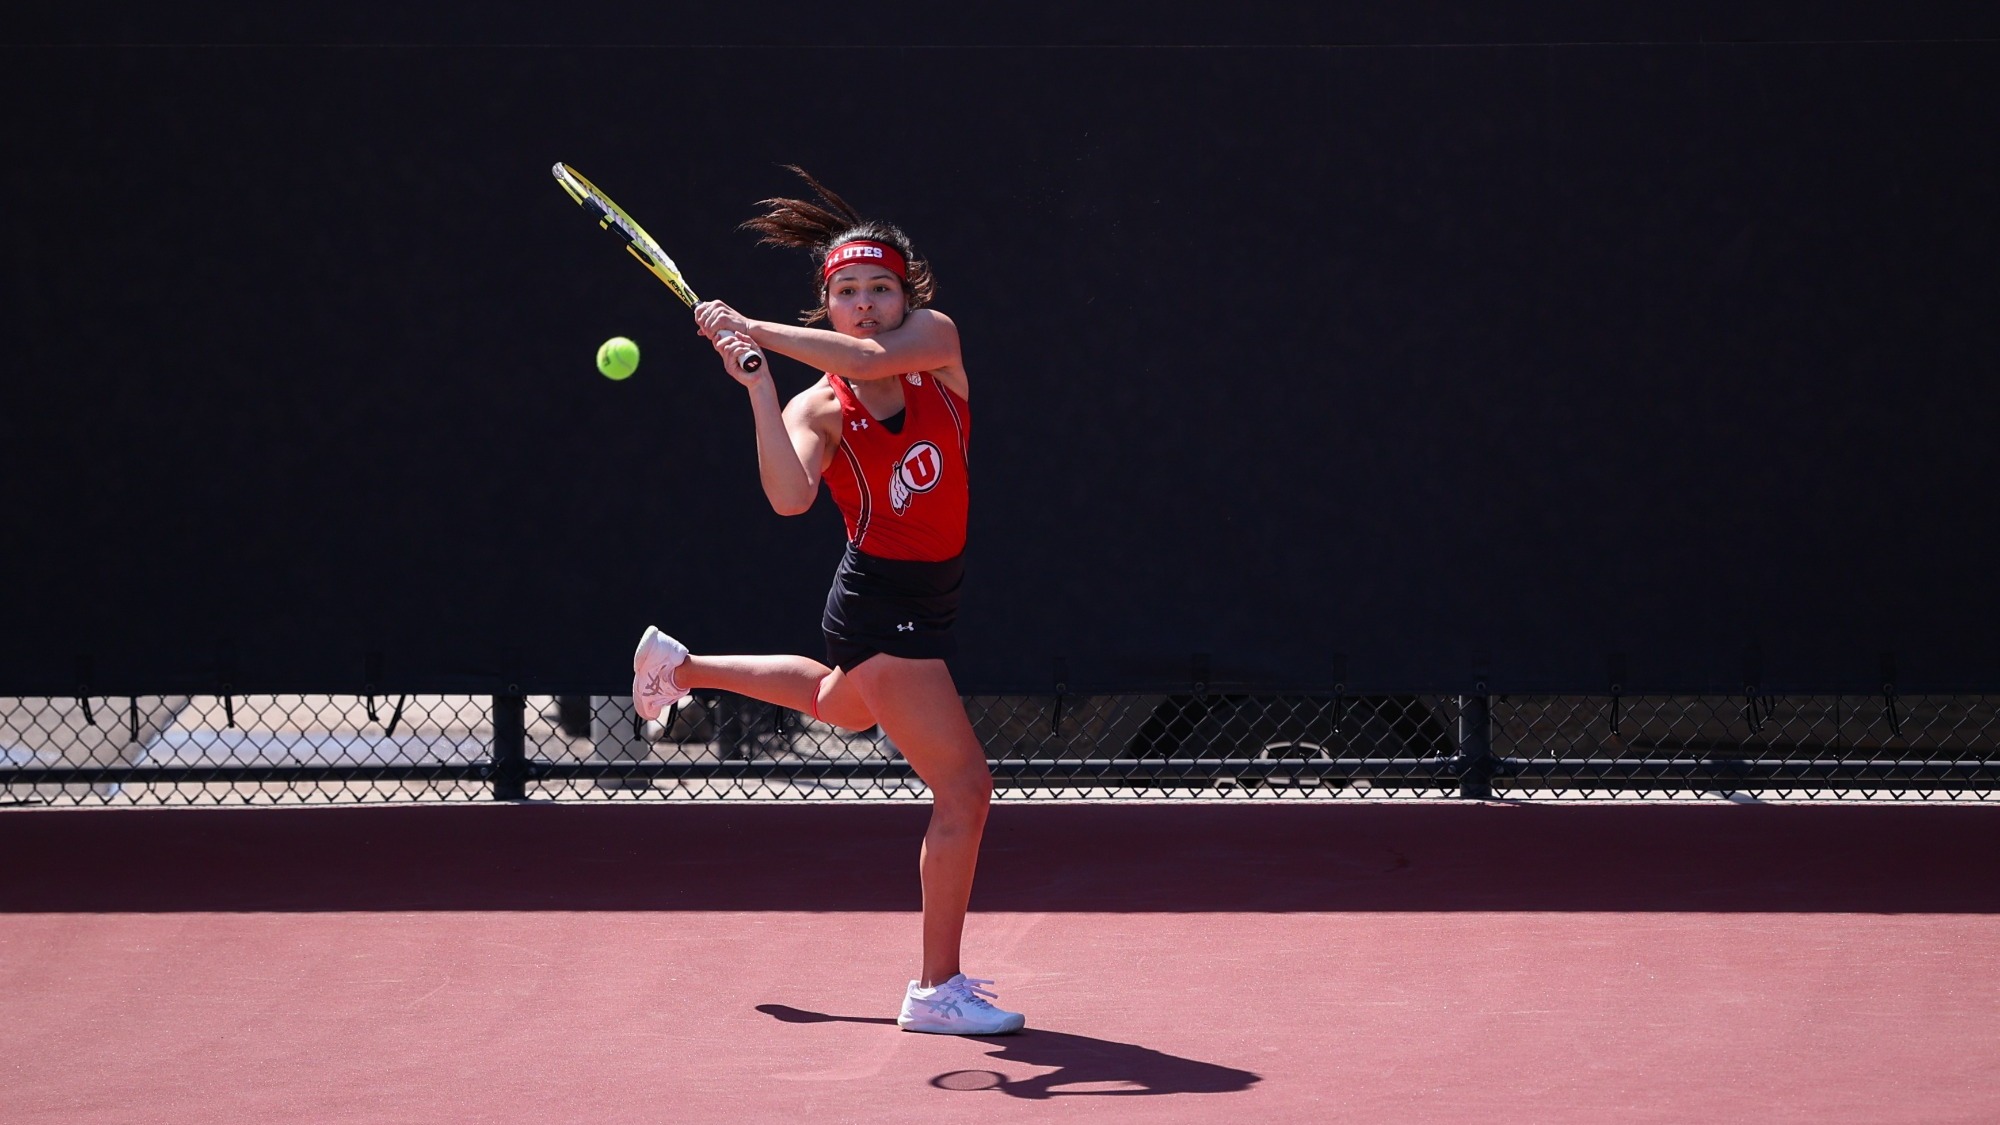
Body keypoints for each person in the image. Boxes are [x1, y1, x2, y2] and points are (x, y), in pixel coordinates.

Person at [630, 168, 1023, 1036]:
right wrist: (760, 390)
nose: (865, 304)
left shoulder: (935, 343)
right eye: (847, 292)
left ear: (908, 297)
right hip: (881, 603)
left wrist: (752, 326)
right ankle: (936, 989)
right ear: (828, 304)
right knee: (966, 790)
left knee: (836, 706)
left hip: (933, 591)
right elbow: (788, 498)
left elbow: (874, 360)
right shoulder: (822, 405)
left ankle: (678, 667)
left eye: (880, 288)